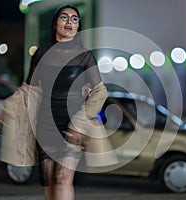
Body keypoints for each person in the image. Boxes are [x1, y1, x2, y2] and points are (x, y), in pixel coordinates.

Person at [25, 4, 108, 200]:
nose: (69, 22)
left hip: (72, 126)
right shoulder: (40, 54)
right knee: (50, 182)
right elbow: (31, 90)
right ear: (56, 24)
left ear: (78, 27)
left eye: (74, 19)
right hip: (45, 125)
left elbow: (100, 91)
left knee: (63, 179)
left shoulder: (84, 56)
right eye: (64, 18)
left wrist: (81, 125)